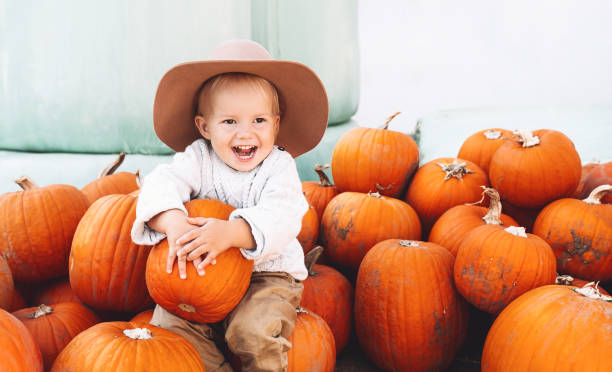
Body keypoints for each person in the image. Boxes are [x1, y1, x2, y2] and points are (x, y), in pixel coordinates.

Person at [131, 39, 329, 372]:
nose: (245, 133)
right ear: (204, 127)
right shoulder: (198, 157)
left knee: (251, 332)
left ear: (276, 123)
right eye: (230, 122)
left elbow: (284, 216)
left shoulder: (279, 167)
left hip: (268, 276)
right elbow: (160, 183)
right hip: (205, 276)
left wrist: (234, 232)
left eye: (258, 121)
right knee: (172, 327)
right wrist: (173, 221)